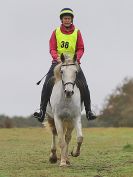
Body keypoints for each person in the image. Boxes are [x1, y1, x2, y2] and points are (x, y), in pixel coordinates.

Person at [33, 8, 96, 122]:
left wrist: (77, 58)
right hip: (58, 63)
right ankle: (42, 110)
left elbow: (81, 48)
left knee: (84, 85)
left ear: (71, 19)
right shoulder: (55, 32)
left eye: (69, 18)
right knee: (47, 84)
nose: (67, 20)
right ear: (61, 20)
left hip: (73, 63)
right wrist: (56, 57)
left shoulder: (77, 32)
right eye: (65, 18)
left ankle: (88, 111)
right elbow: (52, 48)